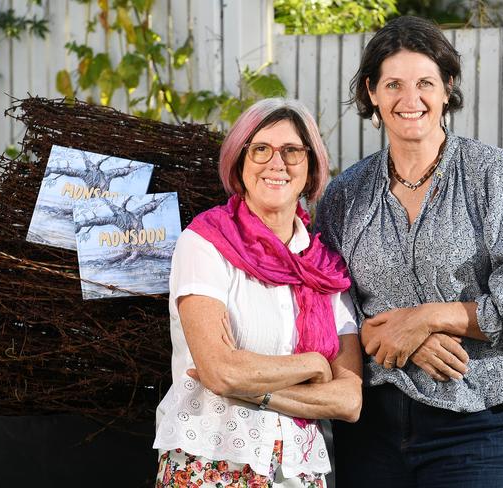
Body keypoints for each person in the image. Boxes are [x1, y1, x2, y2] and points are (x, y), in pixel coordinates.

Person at [314, 15, 503, 488]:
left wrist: (431, 316)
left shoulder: (495, 176)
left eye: (425, 83)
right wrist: (389, 336)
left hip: (482, 424)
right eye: (393, 84)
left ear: (448, 87)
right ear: (371, 92)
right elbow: (322, 307)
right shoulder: (345, 195)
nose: (410, 100)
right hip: (374, 432)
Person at [153, 98, 362, 487]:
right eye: (260, 149)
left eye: (292, 151)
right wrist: (314, 365)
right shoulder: (205, 244)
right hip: (212, 464)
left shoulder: (325, 269)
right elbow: (220, 370)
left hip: (297, 473)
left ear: (311, 166)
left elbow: (348, 400)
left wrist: (259, 392)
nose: (276, 163)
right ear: (240, 162)